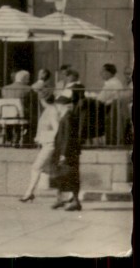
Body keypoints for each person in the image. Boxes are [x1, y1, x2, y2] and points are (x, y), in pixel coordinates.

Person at [51, 66, 86, 211]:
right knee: (62, 174)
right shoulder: (67, 116)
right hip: (65, 149)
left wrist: (63, 153)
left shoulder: (68, 118)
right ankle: (61, 198)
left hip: (67, 150)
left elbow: (67, 137)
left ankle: (75, 201)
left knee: (70, 174)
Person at [19, 95, 61, 202]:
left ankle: (29, 193)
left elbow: (56, 129)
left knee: (36, 167)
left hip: (49, 144)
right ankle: (63, 196)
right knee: (51, 170)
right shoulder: (50, 110)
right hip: (47, 144)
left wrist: (45, 138)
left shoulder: (52, 111)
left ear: (43, 100)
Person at [1, 69, 35, 145]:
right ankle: (28, 138)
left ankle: (9, 137)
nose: (29, 81)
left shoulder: (5, 88)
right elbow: (32, 103)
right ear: (24, 79)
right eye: (28, 78)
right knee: (34, 113)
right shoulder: (28, 89)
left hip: (6, 114)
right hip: (21, 115)